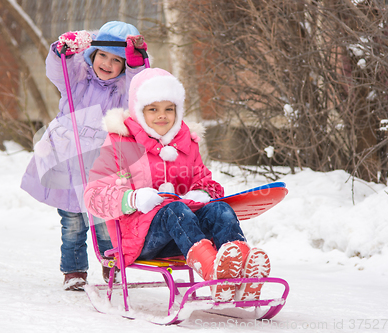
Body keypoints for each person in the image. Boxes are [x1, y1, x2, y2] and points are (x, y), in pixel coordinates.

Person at [84, 68, 271, 302]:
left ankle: (241, 276)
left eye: (168, 109)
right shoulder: (120, 143)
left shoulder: (187, 144)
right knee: (174, 210)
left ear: (177, 110)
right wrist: (131, 199)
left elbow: (207, 181)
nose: (162, 116)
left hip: (188, 239)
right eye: (153, 109)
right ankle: (216, 275)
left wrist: (203, 192)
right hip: (139, 239)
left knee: (220, 209)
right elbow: (93, 195)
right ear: (139, 111)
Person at [20, 21, 148, 291]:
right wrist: (61, 51)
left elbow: (142, 88)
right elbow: (58, 69)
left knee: (105, 220)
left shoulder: (124, 91)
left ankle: (111, 264)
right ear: (93, 55)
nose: (107, 63)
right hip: (67, 162)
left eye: (117, 60)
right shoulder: (77, 80)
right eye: (102, 55)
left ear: (124, 66)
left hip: (103, 165)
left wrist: (138, 64)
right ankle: (74, 271)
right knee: (72, 222)